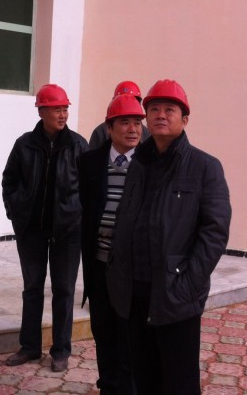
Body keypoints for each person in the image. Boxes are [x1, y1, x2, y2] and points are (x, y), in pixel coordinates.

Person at [106, 79, 231, 395]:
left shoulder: (204, 167)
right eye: (154, 109)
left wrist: (188, 282)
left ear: (184, 119)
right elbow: (125, 217)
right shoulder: (138, 163)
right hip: (136, 293)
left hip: (175, 295)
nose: (161, 115)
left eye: (170, 110)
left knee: (179, 383)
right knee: (145, 379)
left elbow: (215, 232)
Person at [2, 84, 88, 371]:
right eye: (56, 109)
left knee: (64, 290)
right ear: (41, 112)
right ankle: (30, 347)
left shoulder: (78, 145)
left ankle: (61, 350)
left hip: (68, 232)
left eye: (65, 109)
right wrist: (16, 213)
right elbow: (9, 180)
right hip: (32, 230)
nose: (62, 115)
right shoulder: (24, 144)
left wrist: (77, 217)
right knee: (32, 288)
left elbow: (89, 188)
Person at [79, 94, 144, 394]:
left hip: (131, 269)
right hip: (99, 264)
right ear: (109, 128)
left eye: (137, 123)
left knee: (129, 335)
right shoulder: (90, 162)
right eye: (125, 123)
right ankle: (108, 386)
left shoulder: (149, 164)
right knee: (102, 331)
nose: (133, 129)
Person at [88, 81, 150, 149]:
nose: (132, 130)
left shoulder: (146, 132)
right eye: (125, 123)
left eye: (137, 123)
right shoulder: (101, 131)